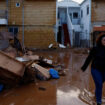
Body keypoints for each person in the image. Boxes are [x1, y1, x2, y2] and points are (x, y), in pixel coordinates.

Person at [81, 33, 105, 105]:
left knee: (98, 85)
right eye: (104, 40)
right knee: (100, 84)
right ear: (100, 40)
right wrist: (84, 67)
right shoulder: (95, 49)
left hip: (104, 71)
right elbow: (89, 58)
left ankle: (96, 94)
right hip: (95, 69)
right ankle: (98, 101)